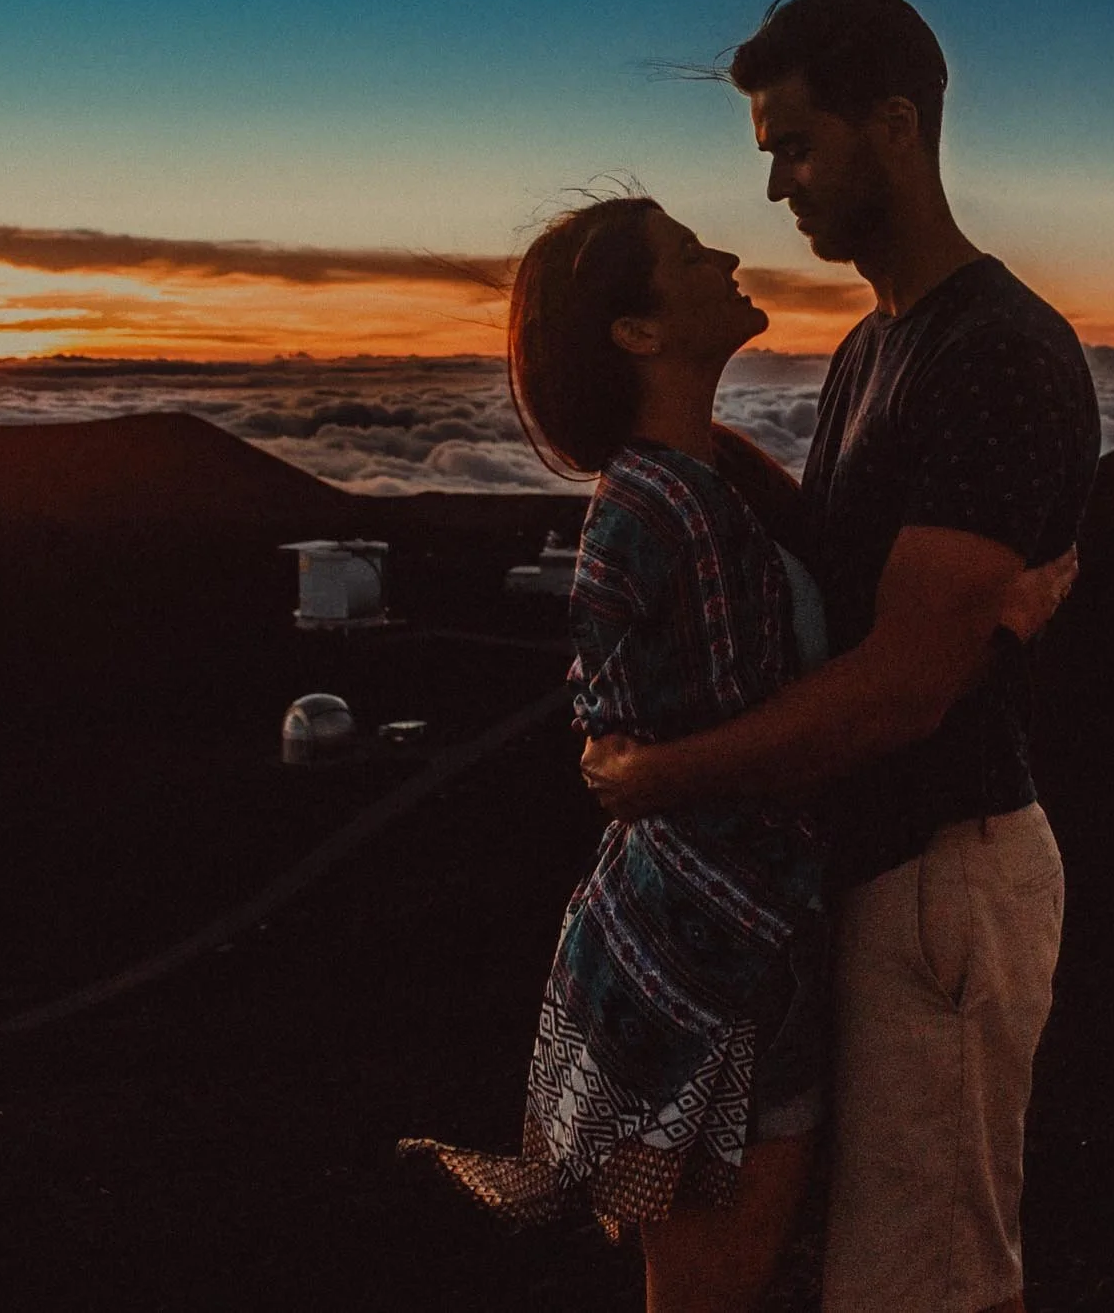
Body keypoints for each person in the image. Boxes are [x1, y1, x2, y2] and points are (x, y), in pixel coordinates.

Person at [401, 193, 1072, 1313]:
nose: (725, 247)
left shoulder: (698, 488)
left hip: (705, 956)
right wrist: (993, 624)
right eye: (683, 251)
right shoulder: (671, 514)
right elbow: (779, 747)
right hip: (717, 970)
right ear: (638, 331)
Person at [582, 0, 1103, 1313]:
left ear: (895, 126)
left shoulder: (995, 351)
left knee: (922, 1283)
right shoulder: (880, 344)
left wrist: (663, 775)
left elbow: (900, 692)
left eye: (795, 146)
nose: (774, 187)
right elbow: (841, 573)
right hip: (871, 876)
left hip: (945, 873)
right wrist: (670, 445)